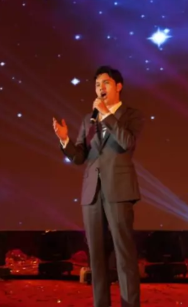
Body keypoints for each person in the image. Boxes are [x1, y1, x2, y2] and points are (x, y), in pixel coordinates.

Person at [53, 65, 145, 307]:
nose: (100, 88)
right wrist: (65, 140)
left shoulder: (131, 115)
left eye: (105, 83)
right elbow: (80, 157)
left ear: (118, 86)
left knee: (124, 253)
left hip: (119, 190)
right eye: (96, 85)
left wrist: (106, 114)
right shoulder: (88, 119)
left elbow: (127, 142)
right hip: (91, 193)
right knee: (96, 256)